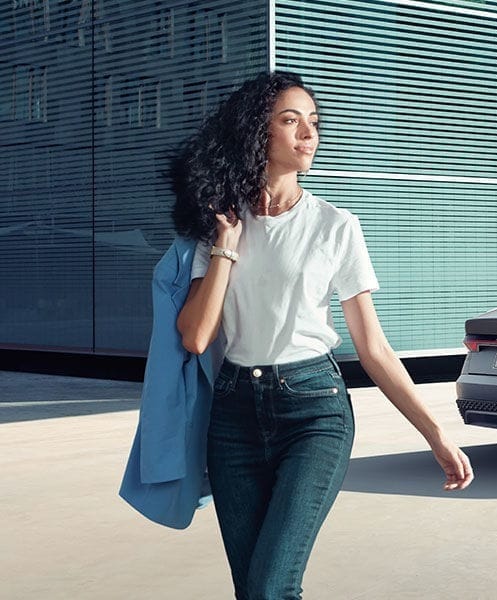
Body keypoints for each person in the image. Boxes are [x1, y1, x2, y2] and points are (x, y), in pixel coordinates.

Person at [170, 70, 473, 599]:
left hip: (313, 412)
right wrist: (225, 243)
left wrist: (436, 433)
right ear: (256, 133)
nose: (307, 134)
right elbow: (196, 336)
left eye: (313, 122)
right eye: (290, 121)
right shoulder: (221, 223)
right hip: (233, 416)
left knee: (270, 587)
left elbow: (373, 347)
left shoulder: (336, 226)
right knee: (253, 591)